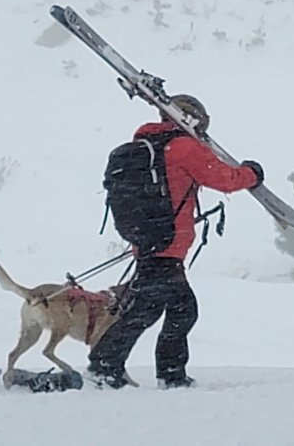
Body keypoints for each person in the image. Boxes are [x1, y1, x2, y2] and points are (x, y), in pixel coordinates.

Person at [87, 94, 264, 389]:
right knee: (182, 309)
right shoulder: (183, 147)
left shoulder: (150, 147)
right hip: (167, 245)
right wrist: (253, 173)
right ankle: (158, 374)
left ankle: (110, 366)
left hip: (149, 243)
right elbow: (225, 178)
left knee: (147, 309)